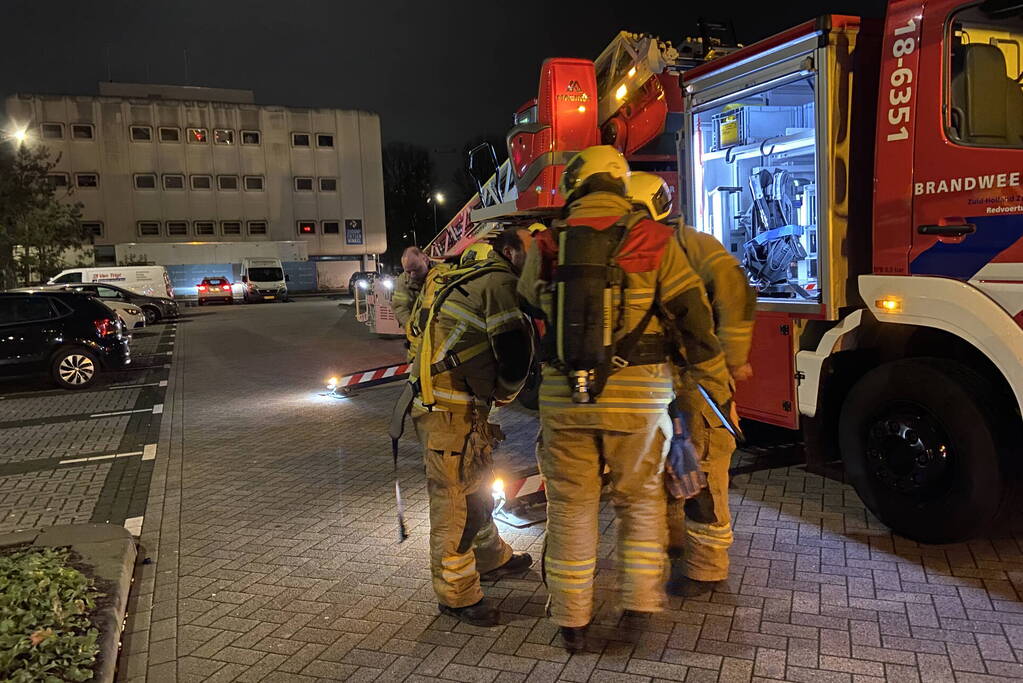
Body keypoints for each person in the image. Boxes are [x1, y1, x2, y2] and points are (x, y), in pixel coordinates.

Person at [517, 146, 731, 651]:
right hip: (638, 399)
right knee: (639, 505)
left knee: (571, 508)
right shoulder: (653, 238)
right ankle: (637, 608)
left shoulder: (550, 241)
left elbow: (527, 297)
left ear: (578, 183)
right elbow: (693, 315)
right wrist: (710, 380)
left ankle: (573, 621)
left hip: (564, 396)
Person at [628, 171, 755, 597]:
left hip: (698, 386)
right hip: (661, 385)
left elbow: (736, 294)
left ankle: (706, 568)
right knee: (670, 469)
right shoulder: (645, 249)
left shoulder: (695, 247)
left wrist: (730, 362)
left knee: (703, 472)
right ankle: (678, 546)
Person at [410, 226, 536, 627]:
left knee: (476, 488)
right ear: (510, 251)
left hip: (451, 407)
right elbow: (515, 353)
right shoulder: (498, 283)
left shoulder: (454, 278)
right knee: (455, 503)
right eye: (531, 249)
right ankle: (456, 595)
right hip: (450, 414)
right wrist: (504, 394)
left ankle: (491, 558)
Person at [392, 246, 432, 329]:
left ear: (425, 260)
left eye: (416, 270)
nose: (412, 275)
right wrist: (410, 328)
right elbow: (400, 308)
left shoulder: (442, 273)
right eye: (408, 271)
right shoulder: (403, 281)